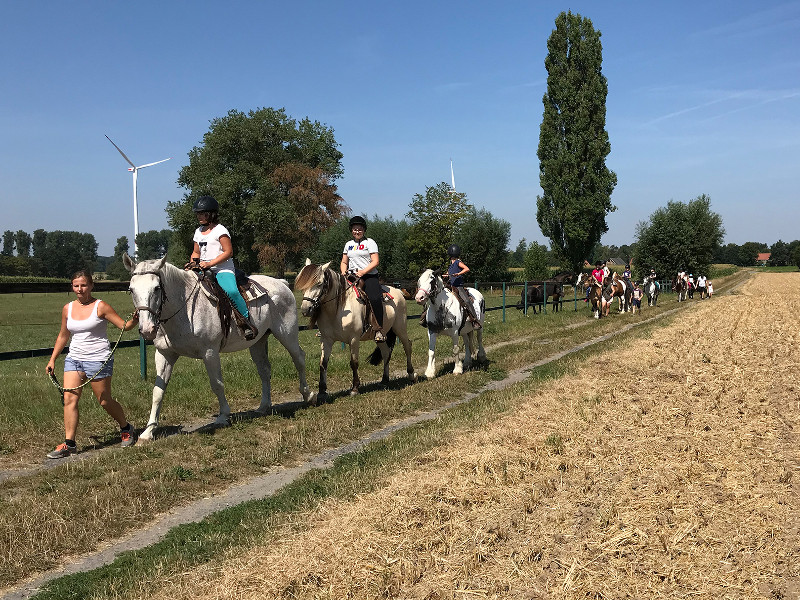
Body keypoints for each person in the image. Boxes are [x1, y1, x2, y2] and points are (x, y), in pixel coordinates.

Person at [45, 270, 139, 459]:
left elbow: (123, 326)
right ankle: (69, 443)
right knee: (69, 399)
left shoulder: (100, 306)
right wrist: (52, 359)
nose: (80, 289)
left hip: (98, 359)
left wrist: (134, 320)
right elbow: (64, 335)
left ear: (91, 286)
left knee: (104, 401)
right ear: (72, 287)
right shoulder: (68, 308)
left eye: (83, 285)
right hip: (74, 359)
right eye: (76, 286)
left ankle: (126, 427)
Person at [186, 195, 257, 340]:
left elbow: (228, 252)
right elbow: (196, 252)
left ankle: (246, 322)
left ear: (211, 214)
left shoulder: (220, 230)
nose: (199, 216)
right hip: (202, 268)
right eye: (198, 213)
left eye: (203, 213)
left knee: (231, 291)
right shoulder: (198, 231)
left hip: (222, 269)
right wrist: (193, 262)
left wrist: (210, 263)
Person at [341, 215, 385, 342]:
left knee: (375, 298)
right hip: (351, 276)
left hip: (369, 275)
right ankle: (328, 327)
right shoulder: (348, 244)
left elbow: (375, 261)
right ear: (351, 230)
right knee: (336, 293)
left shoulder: (369, 242)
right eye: (355, 229)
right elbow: (344, 261)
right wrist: (343, 271)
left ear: (364, 230)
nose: (357, 231)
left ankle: (378, 330)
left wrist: (363, 272)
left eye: (359, 229)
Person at [443, 244, 481, 329]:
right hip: (451, 287)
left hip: (458, 287)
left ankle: (475, 320)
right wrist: (444, 275)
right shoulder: (450, 265)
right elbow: (448, 274)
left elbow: (467, 269)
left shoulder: (458, 262)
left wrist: (458, 274)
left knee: (467, 301)